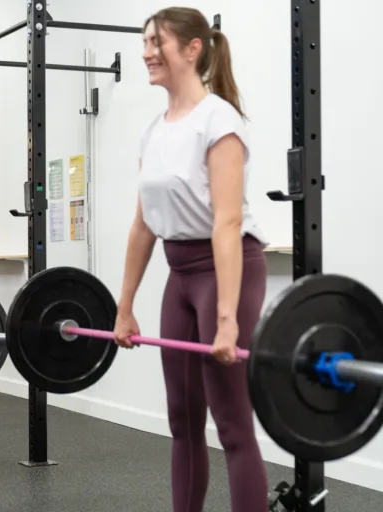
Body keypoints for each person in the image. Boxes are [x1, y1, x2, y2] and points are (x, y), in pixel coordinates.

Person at [113, 7, 269, 512]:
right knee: (181, 418)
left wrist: (226, 319)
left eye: (156, 41)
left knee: (231, 420)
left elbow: (225, 223)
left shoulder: (218, 119)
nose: (146, 52)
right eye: (145, 42)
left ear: (193, 48)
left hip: (227, 271)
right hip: (180, 276)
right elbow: (143, 225)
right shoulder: (154, 129)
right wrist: (125, 304)